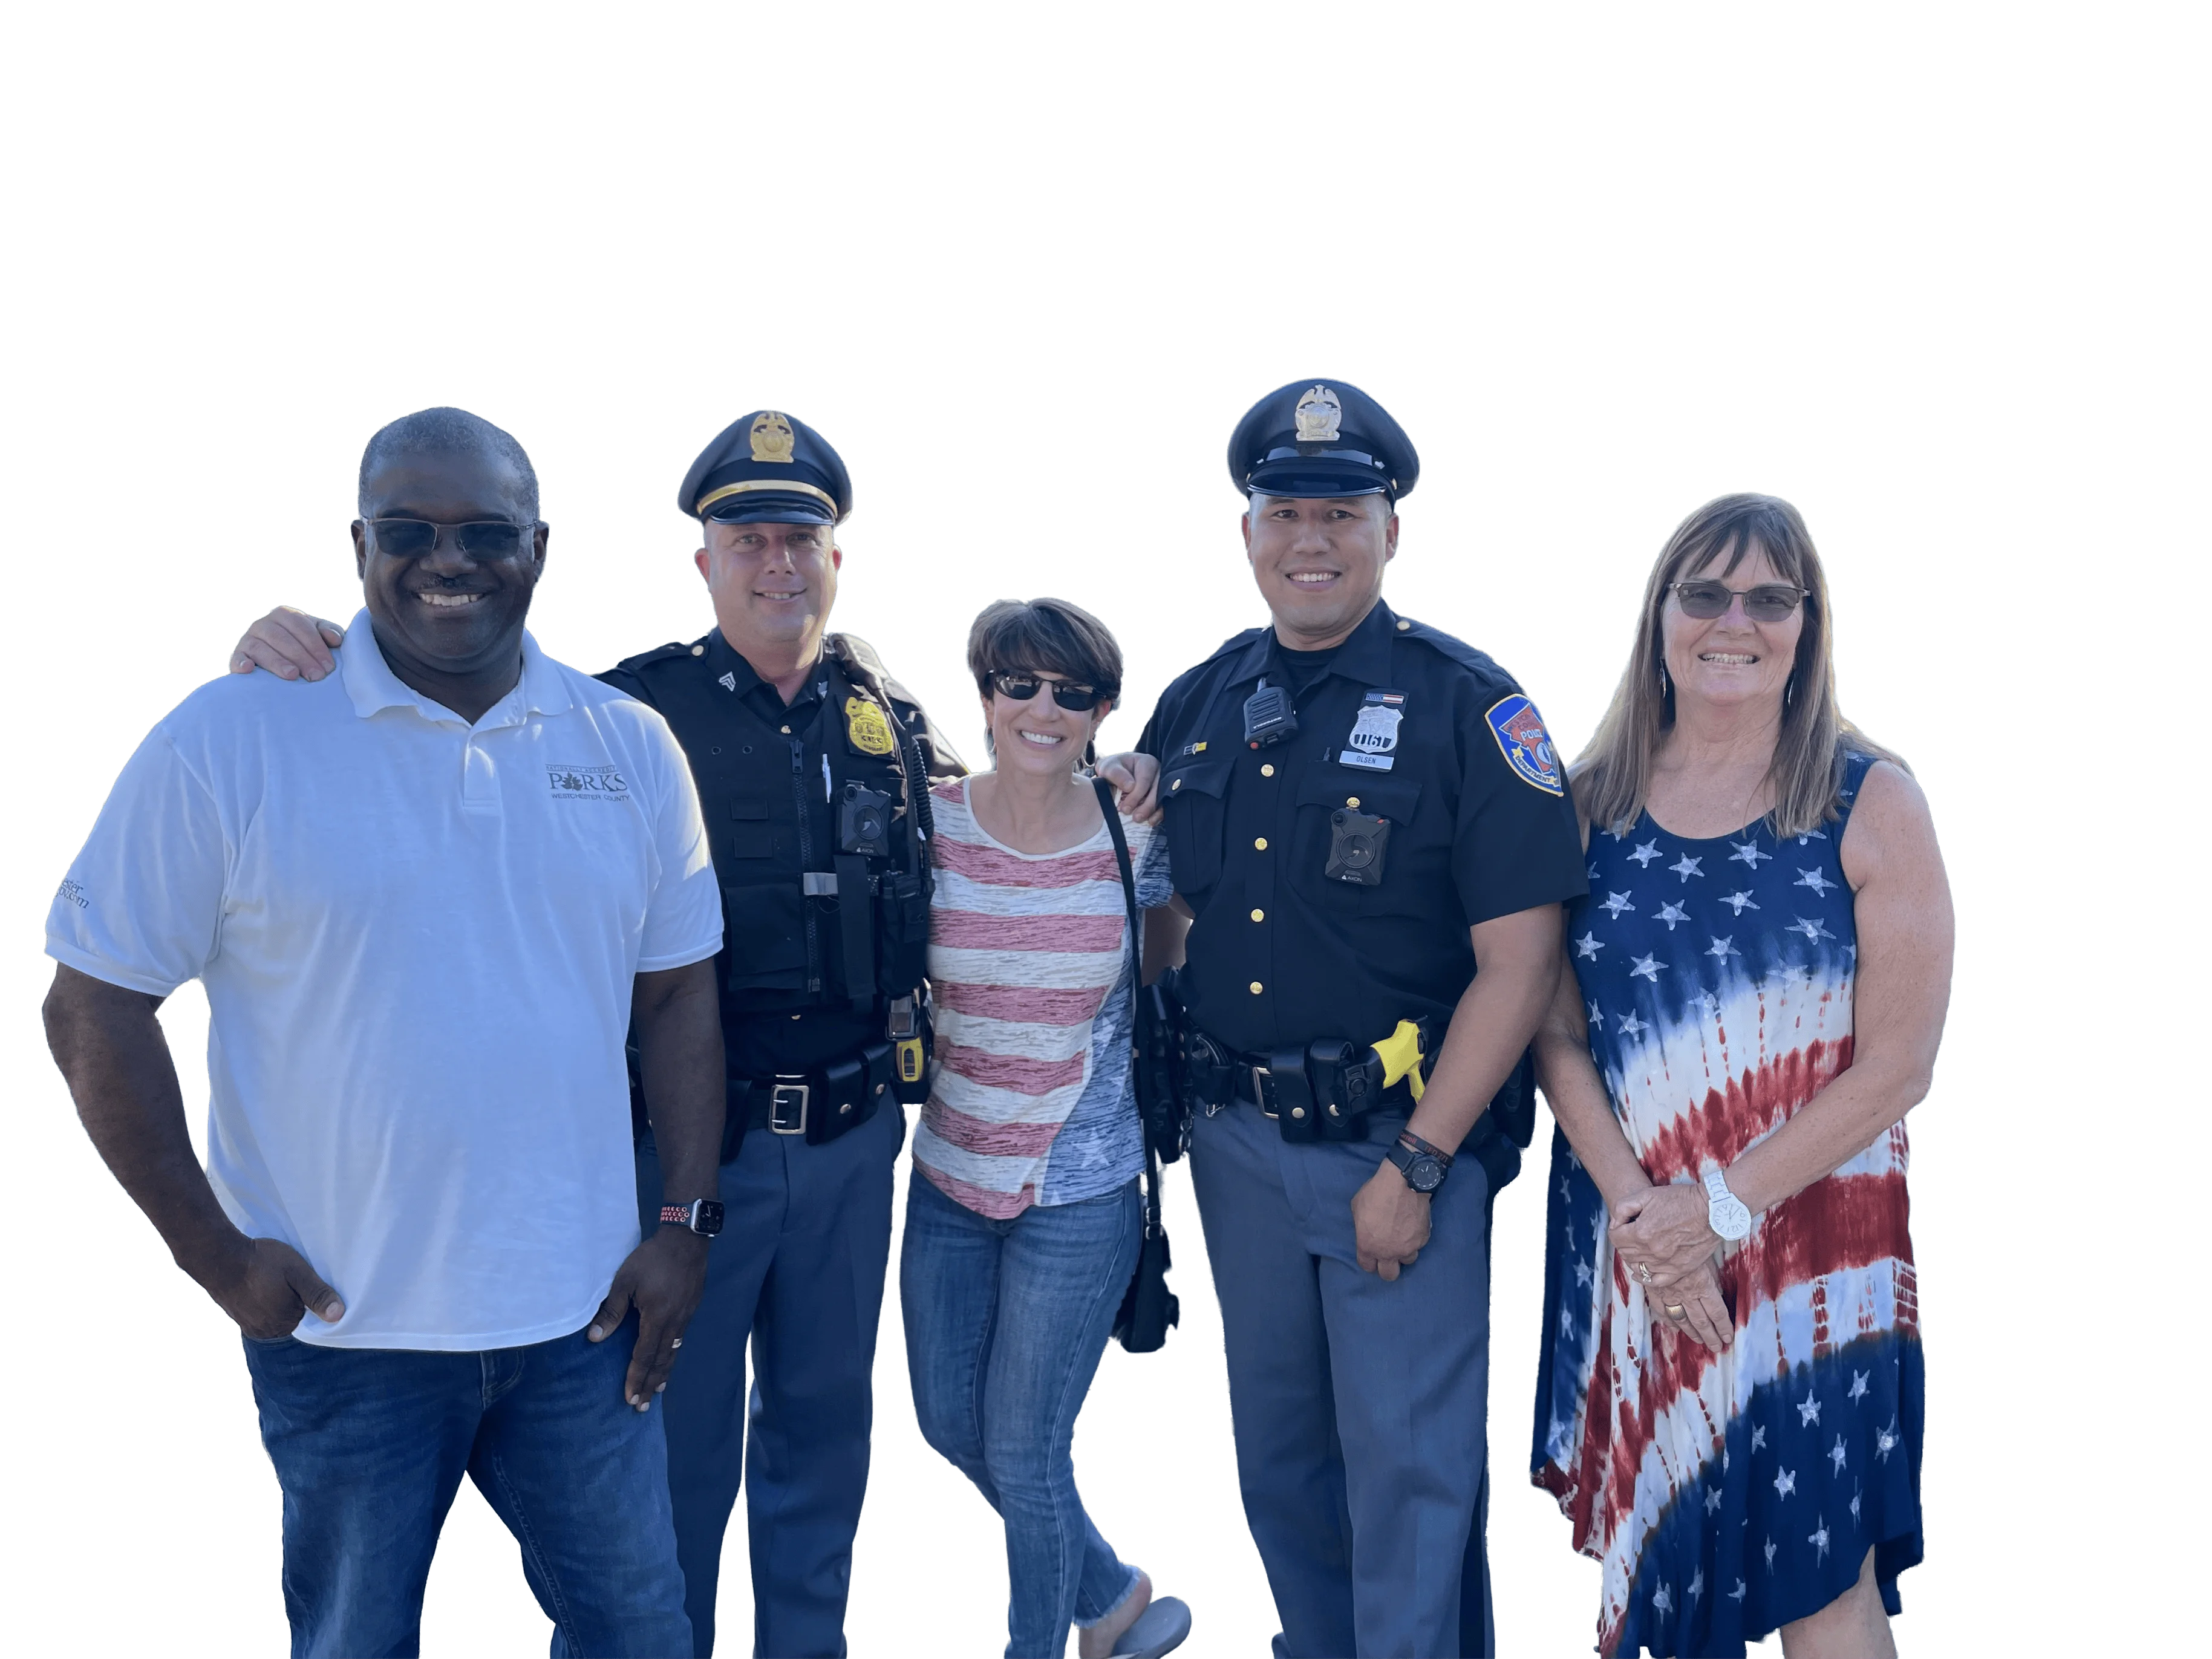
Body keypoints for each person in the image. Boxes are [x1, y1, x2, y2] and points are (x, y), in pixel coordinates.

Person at [228, 407, 1162, 1658]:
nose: (778, 564)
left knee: (822, 1447)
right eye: (749, 540)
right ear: (706, 560)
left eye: (801, 540)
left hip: (852, 1146)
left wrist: (1119, 774)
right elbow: (448, 741)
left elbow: (1011, 800)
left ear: (836, 560)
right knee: (668, 1454)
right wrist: (299, 653)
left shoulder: (889, 721)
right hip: (684, 1157)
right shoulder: (619, 717)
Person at [41, 406, 726, 1659]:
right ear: (359, 545)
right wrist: (214, 1256)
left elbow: (679, 995)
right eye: (408, 530)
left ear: (540, 548)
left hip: (581, 1323)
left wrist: (684, 1222)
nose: (446, 559)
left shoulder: (629, 746)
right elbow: (91, 1003)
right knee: (354, 1642)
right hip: (344, 1331)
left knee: (640, 1635)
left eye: (484, 531)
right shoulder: (231, 738)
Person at [1136, 378, 1589, 1659]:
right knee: (1280, 1463)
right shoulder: (1198, 703)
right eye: (1284, 512)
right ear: (1246, 533)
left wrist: (1422, 1162)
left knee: (1410, 1478)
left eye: (1342, 512)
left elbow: (1522, 965)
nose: (1311, 540)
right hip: (1236, 1145)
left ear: (1392, 531)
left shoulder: (1471, 708)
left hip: (1398, 1146)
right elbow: (1169, 920)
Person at [1527, 491, 1952, 1658]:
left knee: (1822, 1590)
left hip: (1815, 1253)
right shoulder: (1580, 806)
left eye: (1770, 598)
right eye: (1705, 592)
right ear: (1658, 616)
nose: (1735, 621)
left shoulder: (1872, 801)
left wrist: (1714, 1214)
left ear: (1808, 626)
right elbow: (1553, 1034)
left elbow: (1899, 1065)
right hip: (1643, 1252)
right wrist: (1645, 1220)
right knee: (1660, 1573)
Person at [900, 598, 1195, 1659]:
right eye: (1019, 683)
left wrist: (1145, 780)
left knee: (1026, 1452)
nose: (1044, 707)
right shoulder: (929, 822)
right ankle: (1111, 1591)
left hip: (1081, 1188)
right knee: (948, 1420)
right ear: (983, 698)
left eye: (1073, 693)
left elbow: (1166, 960)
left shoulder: (1136, 831)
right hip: (949, 1171)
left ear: (1103, 712)